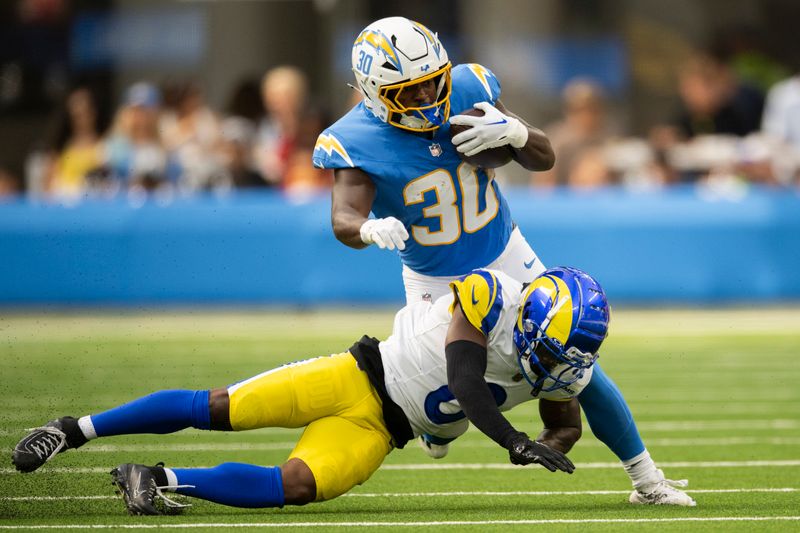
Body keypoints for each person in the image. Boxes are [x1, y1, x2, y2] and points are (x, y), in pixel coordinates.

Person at [312, 16, 681, 504]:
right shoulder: (354, 138)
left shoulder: (467, 87)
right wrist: (366, 228)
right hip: (435, 282)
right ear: (375, 93)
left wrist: (515, 132)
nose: (427, 99)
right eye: (410, 93)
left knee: (579, 361)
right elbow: (343, 216)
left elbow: (543, 158)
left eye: (432, 84)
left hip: (507, 253)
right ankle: (439, 432)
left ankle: (648, 482)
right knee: (455, 398)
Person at [11, 267, 694, 515]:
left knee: (299, 484)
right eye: (549, 353)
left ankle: (154, 478)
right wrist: (515, 438)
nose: (556, 368)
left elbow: (588, 407)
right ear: (532, 319)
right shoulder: (490, 295)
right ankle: (74, 428)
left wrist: (642, 475)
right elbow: (463, 378)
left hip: (382, 431)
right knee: (220, 406)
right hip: (358, 375)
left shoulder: (565, 359)